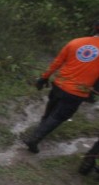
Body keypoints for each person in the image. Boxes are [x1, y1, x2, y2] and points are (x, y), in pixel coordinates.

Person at [23, 20, 99, 153]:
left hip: (59, 85)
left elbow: (57, 62)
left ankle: (39, 130)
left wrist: (44, 77)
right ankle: (34, 138)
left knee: (51, 109)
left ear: (95, 28)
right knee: (58, 116)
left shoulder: (75, 42)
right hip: (77, 92)